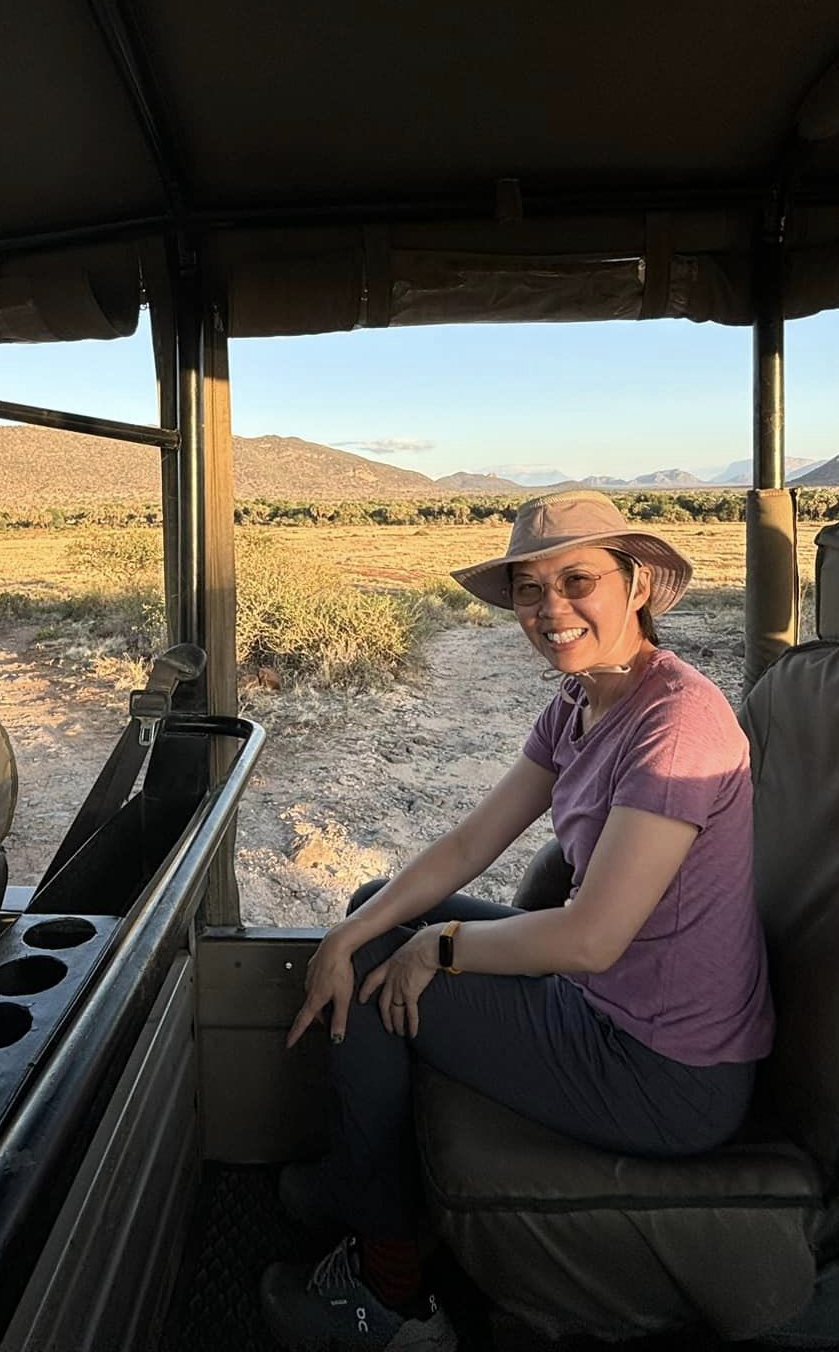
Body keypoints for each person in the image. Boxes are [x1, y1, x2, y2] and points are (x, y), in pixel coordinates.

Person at [261, 490, 773, 1352]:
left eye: (578, 579)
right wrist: (344, 937)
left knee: (403, 959)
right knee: (370, 914)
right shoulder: (582, 701)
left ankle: (393, 1299)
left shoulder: (677, 722)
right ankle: (364, 1182)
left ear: (637, 583)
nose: (550, 608)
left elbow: (591, 936)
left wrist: (443, 946)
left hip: (662, 1070)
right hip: (606, 1004)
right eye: (530, 589)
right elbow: (469, 843)